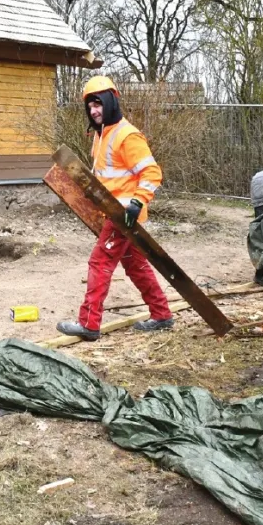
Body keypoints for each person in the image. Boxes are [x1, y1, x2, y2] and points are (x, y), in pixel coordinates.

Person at [56, 76, 172, 341]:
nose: (94, 110)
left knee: (100, 261)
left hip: (123, 215)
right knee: (135, 265)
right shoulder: (101, 135)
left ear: (110, 102)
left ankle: (89, 324)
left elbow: (152, 173)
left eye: (98, 104)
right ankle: (162, 314)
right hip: (114, 211)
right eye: (90, 106)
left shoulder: (127, 135)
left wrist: (137, 201)